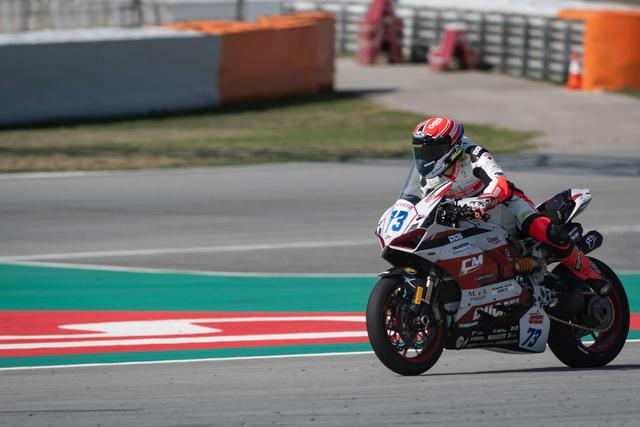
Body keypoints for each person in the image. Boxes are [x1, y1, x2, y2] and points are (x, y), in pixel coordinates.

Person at [410, 116, 610, 295]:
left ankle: (590, 275)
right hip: (465, 218)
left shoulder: (474, 154)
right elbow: (426, 204)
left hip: (504, 205)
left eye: (430, 151)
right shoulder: (428, 177)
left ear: (450, 147)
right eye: (420, 152)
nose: (424, 158)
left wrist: (483, 201)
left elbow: (500, 184)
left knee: (546, 231)